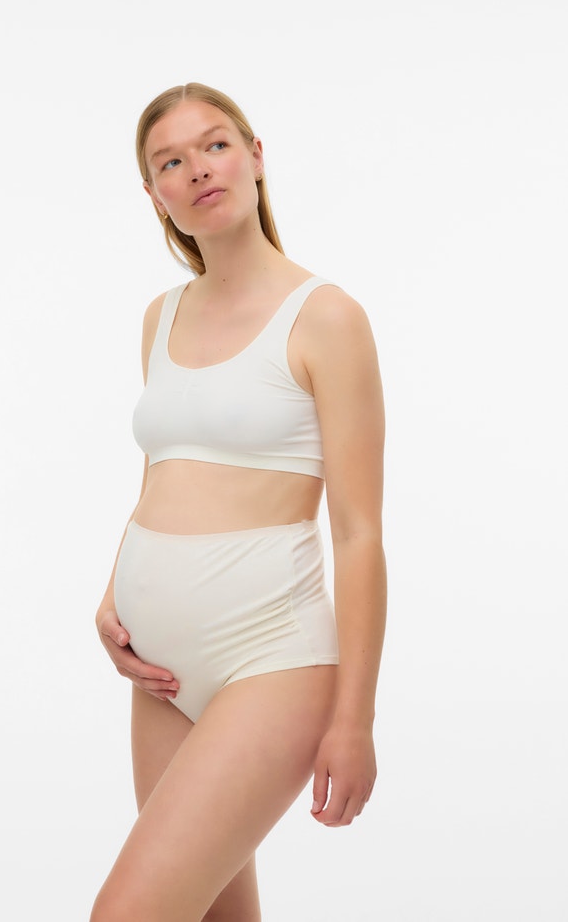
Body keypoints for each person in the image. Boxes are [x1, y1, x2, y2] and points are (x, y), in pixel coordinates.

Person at [90, 82, 386, 922]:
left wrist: (355, 720)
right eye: (170, 162)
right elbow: (164, 468)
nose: (197, 169)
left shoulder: (325, 317)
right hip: (159, 670)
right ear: (155, 194)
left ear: (256, 157)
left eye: (215, 145)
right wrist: (115, 591)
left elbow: (359, 531)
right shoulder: (160, 317)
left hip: (271, 656)